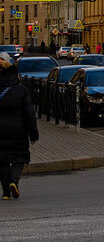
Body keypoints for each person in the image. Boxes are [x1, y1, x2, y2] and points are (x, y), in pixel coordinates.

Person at [0, 52, 38, 200]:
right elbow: (30, 114)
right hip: (18, 131)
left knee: (2, 161)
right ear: (17, 76)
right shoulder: (22, 90)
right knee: (19, 158)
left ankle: (5, 193)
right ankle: (14, 181)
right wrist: (33, 134)